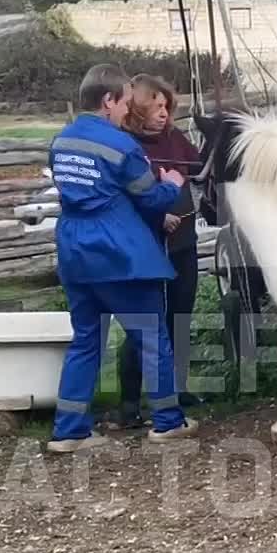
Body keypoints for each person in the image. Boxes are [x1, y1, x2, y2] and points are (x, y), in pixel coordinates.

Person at [45, 63, 199, 452]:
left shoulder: (61, 143)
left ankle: (69, 431)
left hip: (75, 253)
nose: (126, 111)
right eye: (124, 103)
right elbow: (150, 197)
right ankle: (167, 422)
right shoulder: (121, 146)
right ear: (108, 100)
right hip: (119, 255)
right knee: (152, 338)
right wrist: (172, 185)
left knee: (85, 341)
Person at [106, 74, 204, 431]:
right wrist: (157, 213)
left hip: (183, 241)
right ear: (138, 106)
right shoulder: (125, 145)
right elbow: (123, 195)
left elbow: (196, 170)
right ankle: (130, 401)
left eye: (167, 106)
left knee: (180, 314)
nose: (163, 113)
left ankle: (174, 392)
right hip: (145, 244)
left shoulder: (174, 138)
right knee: (144, 322)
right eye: (156, 106)